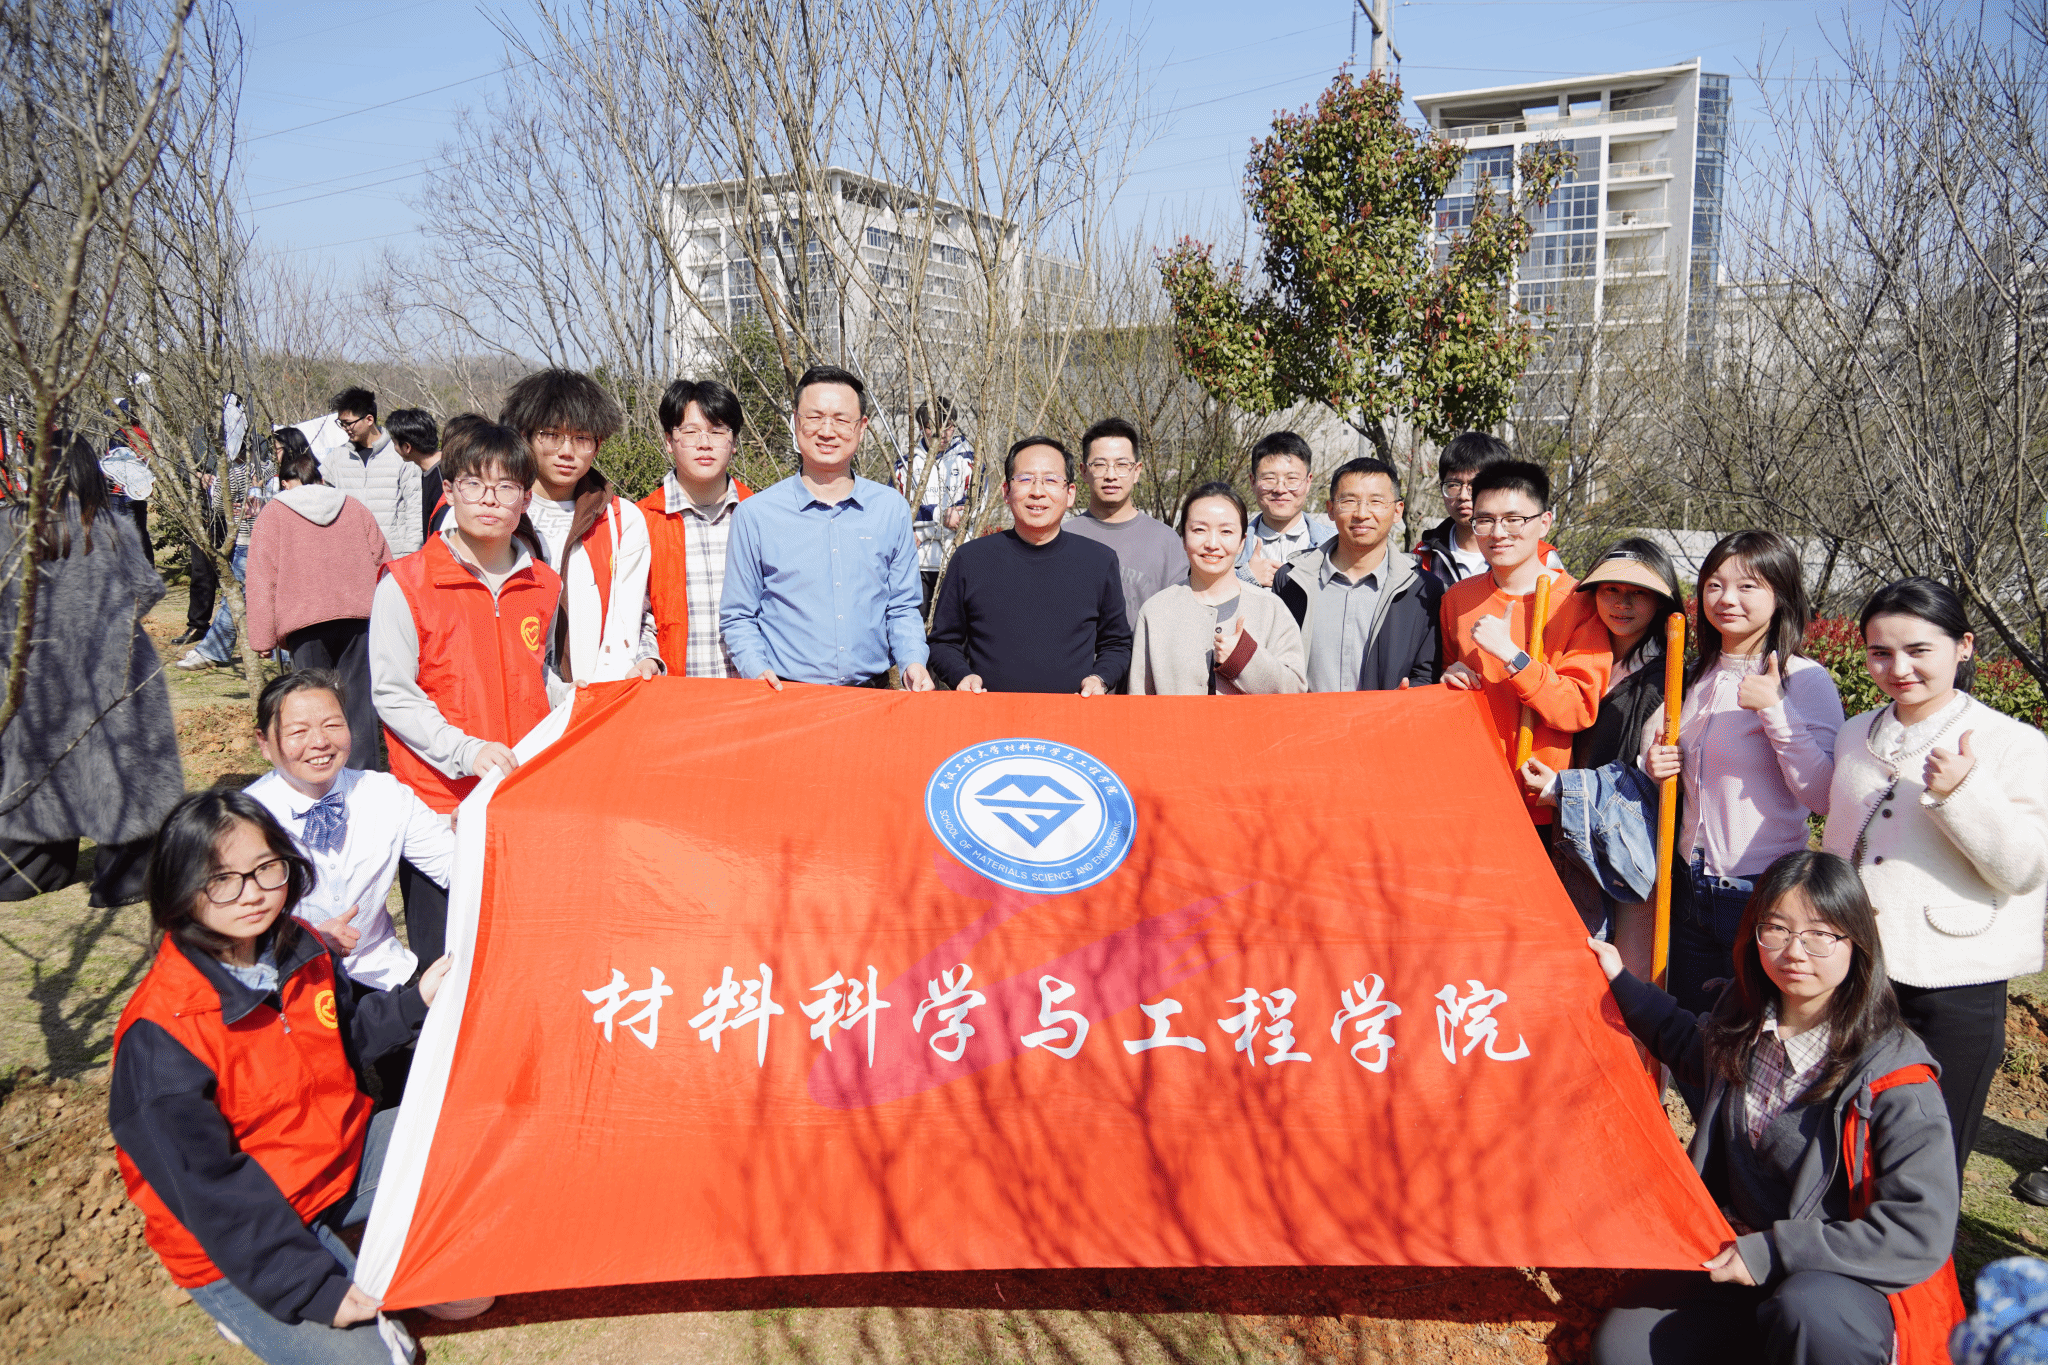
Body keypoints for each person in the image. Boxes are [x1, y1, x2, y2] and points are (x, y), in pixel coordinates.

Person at [107, 791, 478, 1365]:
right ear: (180, 889)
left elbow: (341, 1038)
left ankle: (383, 1260)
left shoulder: (299, 946)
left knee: (469, 1127)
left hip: (338, 1161)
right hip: (242, 1228)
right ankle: (249, 1301)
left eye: (266, 868)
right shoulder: (161, 1034)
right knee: (387, 1361)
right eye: (222, 879)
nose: (252, 892)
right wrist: (313, 1289)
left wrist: (416, 1001)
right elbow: (209, 1190)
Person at [1587, 850, 1961, 1365]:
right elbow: (1692, 1047)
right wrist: (1619, 982)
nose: (1795, 951)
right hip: (1735, 1254)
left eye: (1820, 934)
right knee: (1622, 1350)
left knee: (1811, 1314)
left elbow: (1916, 1233)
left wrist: (1774, 1252)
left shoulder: (1896, 1083)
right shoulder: (1746, 1020)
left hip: (1837, 1284)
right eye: (1777, 929)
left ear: (1856, 941)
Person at [1820, 578, 2048, 1187]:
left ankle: (1923, 1249)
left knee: (1931, 1156)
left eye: (1919, 650)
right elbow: (1841, 842)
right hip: (1860, 969)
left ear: (1963, 646)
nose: (1898, 669)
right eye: (1880, 652)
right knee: (1849, 1137)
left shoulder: (2013, 744)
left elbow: (2026, 870)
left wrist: (1963, 793)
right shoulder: (1855, 733)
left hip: (1956, 976)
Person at [369, 421, 562, 968]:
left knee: (519, 959)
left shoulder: (544, 584)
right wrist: (464, 751)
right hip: (438, 806)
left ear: (526, 499)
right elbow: (393, 693)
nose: (490, 500)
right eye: (475, 484)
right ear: (450, 490)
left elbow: (539, 674)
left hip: (520, 798)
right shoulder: (405, 583)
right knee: (446, 966)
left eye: (506, 487)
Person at [1643, 530, 1843, 1020]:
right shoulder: (1694, 673)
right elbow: (1675, 763)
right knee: (1692, 1032)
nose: (1726, 599)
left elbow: (1822, 793)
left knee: (1753, 1033)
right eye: (1714, 585)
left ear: (1781, 596)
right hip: (1687, 883)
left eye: (1747, 586)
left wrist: (1775, 710)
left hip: (1762, 890)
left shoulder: (1804, 678)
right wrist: (1656, 764)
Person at [0, 432, 184, 906]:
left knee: (39, 769)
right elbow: (148, 588)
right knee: (119, 771)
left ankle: (32, 871)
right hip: (112, 669)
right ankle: (120, 878)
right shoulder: (108, 527)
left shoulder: (9, 526)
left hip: (34, 675)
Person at [1517, 540, 1686, 961]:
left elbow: (1650, 781)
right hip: (1560, 835)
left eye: (1638, 593)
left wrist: (1562, 789)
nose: (1622, 603)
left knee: (1626, 968)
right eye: (1610, 590)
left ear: (1662, 601)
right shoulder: (1566, 656)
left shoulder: (1671, 675)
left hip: (1628, 848)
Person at [720, 365, 932, 691]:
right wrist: (756, 669)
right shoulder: (756, 515)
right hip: (785, 695)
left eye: (841, 419)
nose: (827, 431)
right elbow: (738, 616)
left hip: (872, 695)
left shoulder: (891, 510)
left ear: (862, 427)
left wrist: (913, 662)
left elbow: (902, 607)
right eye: (815, 417)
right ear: (795, 422)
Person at [245, 671, 448, 994]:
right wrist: (306, 944)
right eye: (298, 731)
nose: (320, 742)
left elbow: (453, 865)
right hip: (287, 983)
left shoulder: (384, 794)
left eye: (332, 725)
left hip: (384, 975)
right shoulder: (243, 821)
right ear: (264, 743)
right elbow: (227, 933)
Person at [1439, 460, 1611, 827]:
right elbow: (1448, 681)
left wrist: (1513, 657)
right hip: (1469, 791)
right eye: (1485, 520)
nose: (1498, 532)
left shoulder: (1579, 602)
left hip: (1543, 802)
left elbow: (1578, 708)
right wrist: (1448, 680)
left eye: (1514, 519)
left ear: (1544, 522)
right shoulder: (1458, 598)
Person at [927, 437, 1130, 694]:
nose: (1037, 491)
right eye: (1025, 479)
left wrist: (1100, 678)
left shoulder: (1099, 561)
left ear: (1070, 494)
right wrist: (962, 676)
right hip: (990, 712)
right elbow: (943, 642)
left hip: (1072, 712)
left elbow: (1117, 644)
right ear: (1006, 492)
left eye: (1051, 480)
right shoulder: (970, 559)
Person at [500, 369, 659, 684]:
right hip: (510, 693)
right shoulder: (498, 513)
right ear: (525, 436)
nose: (566, 451)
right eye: (551, 435)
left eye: (581, 438)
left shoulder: (622, 521)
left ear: (598, 446)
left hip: (595, 695)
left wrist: (642, 659)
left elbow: (632, 615)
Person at [244, 442, 391, 770]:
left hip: (304, 624)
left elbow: (261, 577)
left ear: (287, 481)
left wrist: (262, 637)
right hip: (360, 618)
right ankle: (364, 777)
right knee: (359, 704)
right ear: (321, 478)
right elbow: (383, 562)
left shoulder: (273, 514)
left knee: (316, 705)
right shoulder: (354, 507)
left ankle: (324, 774)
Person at [1270, 457, 1442, 692]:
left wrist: (1408, 696)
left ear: (1397, 510)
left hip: (1389, 715)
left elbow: (1426, 672)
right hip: (1306, 715)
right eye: (1349, 501)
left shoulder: (1422, 589)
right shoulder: (1292, 580)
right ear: (1331, 509)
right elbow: (1276, 664)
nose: (1362, 513)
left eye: (1376, 501)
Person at [1129, 481, 1304, 695]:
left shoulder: (1271, 609)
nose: (1212, 544)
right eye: (1199, 530)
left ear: (1242, 542)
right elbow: (1139, 699)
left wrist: (1244, 658)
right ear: (1183, 538)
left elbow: (1295, 691)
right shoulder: (1155, 612)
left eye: (1226, 531)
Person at [638, 378, 754, 677]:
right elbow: (633, 614)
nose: (705, 443)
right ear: (669, 441)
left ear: (734, 442)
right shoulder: (640, 521)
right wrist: (646, 659)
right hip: (675, 693)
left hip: (753, 691)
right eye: (690, 432)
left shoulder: (760, 515)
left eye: (717, 431)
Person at [1061, 417, 1188, 620]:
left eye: (1121, 465)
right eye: (1100, 464)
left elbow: (1179, 617)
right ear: (1084, 471)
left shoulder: (1166, 541)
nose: (1111, 475)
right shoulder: (1063, 538)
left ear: (1136, 471)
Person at [175, 432, 265, 672]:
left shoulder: (252, 454)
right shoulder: (198, 437)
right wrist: (199, 476)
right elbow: (182, 465)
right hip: (213, 519)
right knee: (213, 579)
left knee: (236, 592)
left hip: (249, 534)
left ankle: (216, 648)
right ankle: (200, 629)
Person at [893, 396, 976, 616]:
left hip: (956, 561)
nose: (943, 434)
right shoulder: (904, 465)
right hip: (918, 566)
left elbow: (965, 515)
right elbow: (901, 512)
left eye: (948, 426)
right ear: (921, 428)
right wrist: (940, 515)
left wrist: (925, 530)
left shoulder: (969, 460)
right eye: (933, 428)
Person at [319, 387, 422, 559]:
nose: (345, 428)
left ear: (369, 419)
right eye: (341, 423)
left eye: (348, 423)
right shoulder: (336, 458)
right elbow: (320, 501)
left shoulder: (399, 454)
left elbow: (415, 508)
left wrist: (411, 554)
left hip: (393, 555)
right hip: (350, 556)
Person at [1235, 431, 1334, 588]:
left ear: (1308, 482)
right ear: (1253, 482)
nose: (1280, 489)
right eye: (1269, 478)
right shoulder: (1229, 545)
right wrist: (1244, 578)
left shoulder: (1336, 544)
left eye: (1292, 479)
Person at [384, 408, 443, 547]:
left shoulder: (444, 477)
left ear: (407, 447)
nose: (394, 448)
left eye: (394, 443)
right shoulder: (429, 470)